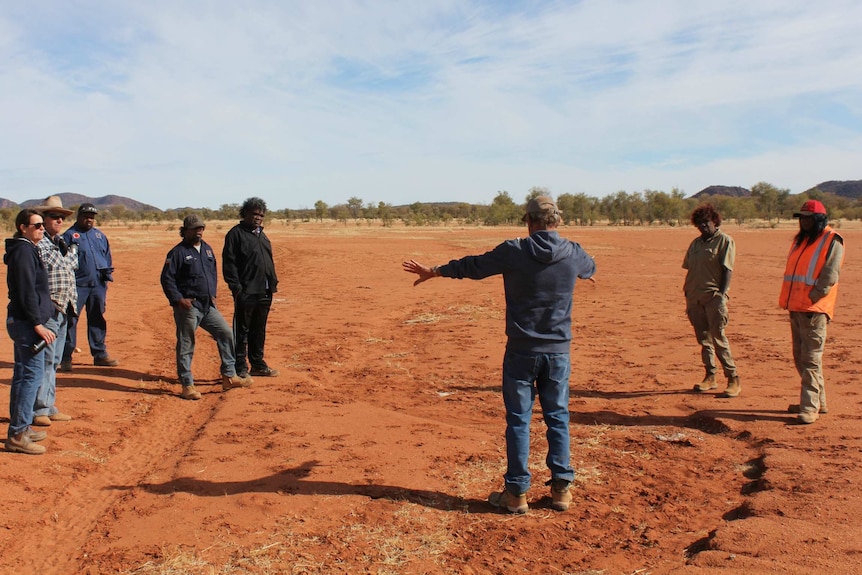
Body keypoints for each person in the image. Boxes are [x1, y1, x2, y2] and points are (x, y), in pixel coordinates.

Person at [402, 196, 596, 514]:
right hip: (558, 352)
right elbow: (590, 269)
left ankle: (517, 493)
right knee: (558, 417)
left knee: (519, 421)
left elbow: (474, 266)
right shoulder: (573, 253)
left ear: (528, 221)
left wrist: (436, 271)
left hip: (521, 351)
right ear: (557, 221)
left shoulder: (514, 250)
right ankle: (562, 489)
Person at [161, 215, 253, 400]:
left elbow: (212, 273)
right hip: (189, 306)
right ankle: (187, 385)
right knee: (186, 344)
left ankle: (229, 376)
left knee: (226, 333)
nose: (199, 231)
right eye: (194, 229)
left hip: (207, 305)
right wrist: (179, 300)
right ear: (184, 231)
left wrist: (212, 295)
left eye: (201, 228)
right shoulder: (177, 253)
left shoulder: (207, 250)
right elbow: (167, 279)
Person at [779, 199, 844, 425]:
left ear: (819, 219)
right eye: (801, 218)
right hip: (796, 307)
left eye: (808, 218)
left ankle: (809, 407)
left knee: (811, 359)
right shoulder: (802, 240)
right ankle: (819, 401)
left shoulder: (831, 240)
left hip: (814, 309)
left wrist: (813, 297)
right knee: (800, 356)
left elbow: (830, 275)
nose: (804, 221)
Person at [4, 210, 57, 454]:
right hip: (27, 323)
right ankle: (17, 434)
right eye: (37, 225)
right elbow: (26, 291)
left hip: (23, 321)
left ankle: (21, 428)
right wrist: (37, 323)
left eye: (42, 226)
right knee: (30, 377)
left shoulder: (26, 248)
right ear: (23, 227)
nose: (42, 229)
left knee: (23, 374)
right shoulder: (24, 250)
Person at [684, 204, 741, 397]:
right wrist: (688, 293)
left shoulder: (725, 241)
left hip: (713, 298)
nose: (703, 227)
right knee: (704, 340)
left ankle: (733, 378)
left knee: (718, 338)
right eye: (699, 224)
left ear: (714, 221)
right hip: (694, 298)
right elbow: (690, 269)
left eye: (706, 223)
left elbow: (727, 270)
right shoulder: (695, 244)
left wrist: (721, 294)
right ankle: (710, 376)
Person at [32, 196, 78, 427]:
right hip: (49, 309)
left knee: (54, 360)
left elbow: (71, 268)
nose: (59, 220)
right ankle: (39, 407)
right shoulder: (39, 244)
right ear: (43, 219)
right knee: (45, 359)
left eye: (62, 217)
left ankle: (48, 405)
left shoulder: (60, 242)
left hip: (64, 307)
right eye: (54, 216)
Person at [222, 197, 280, 378]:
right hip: (246, 292)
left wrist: (273, 283)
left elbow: (268, 261)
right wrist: (236, 287)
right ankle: (240, 367)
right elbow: (229, 263)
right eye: (254, 214)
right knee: (242, 331)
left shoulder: (262, 235)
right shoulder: (235, 234)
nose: (258, 217)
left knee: (259, 329)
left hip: (264, 290)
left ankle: (258, 364)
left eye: (261, 215)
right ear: (245, 214)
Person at [60, 203, 118, 369]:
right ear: (78, 217)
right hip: (77, 285)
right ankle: (65, 358)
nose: (89, 220)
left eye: (92, 217)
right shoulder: (69, 236)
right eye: (86, 216)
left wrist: (105, 277)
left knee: (97, 317)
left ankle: (99, 354)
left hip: (98, 284)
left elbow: (107, 257)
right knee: (71, 320)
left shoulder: (99, 236)